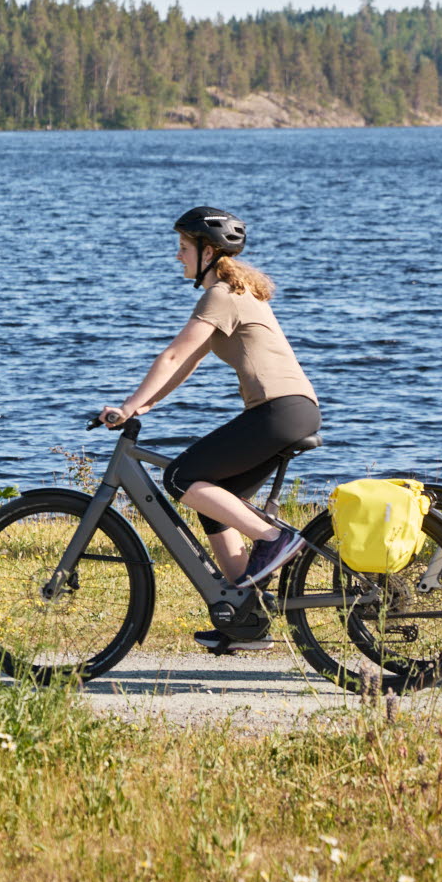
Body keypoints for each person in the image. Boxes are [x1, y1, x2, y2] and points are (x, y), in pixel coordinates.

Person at [97, 206, 320, 649]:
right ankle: (245, 617)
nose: (177, 257)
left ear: (208, 251)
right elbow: (186, 367)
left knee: (180, 477)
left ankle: (272, 538)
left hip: (279, 412)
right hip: (291, 410)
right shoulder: (235, 293)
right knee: (213, 500)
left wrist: (127, 405)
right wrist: (143, 406)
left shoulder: (220, 295)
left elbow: (174, 355)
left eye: (183, 248)